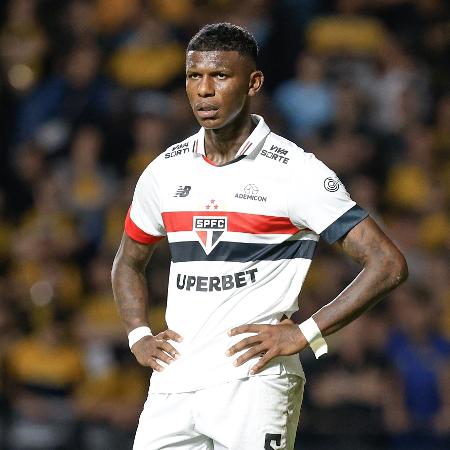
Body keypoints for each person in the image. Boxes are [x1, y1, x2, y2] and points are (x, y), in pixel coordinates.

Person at [111, 23, 408, 450]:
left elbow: (387, 263)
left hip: (255, 381)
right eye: (195, 76)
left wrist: (304, 333)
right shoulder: (164, 170)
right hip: (174, 382)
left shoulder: (296, 171)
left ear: (253, 83)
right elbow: (128, 261)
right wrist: (138, 335)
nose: (204, 91)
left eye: (220, 76)